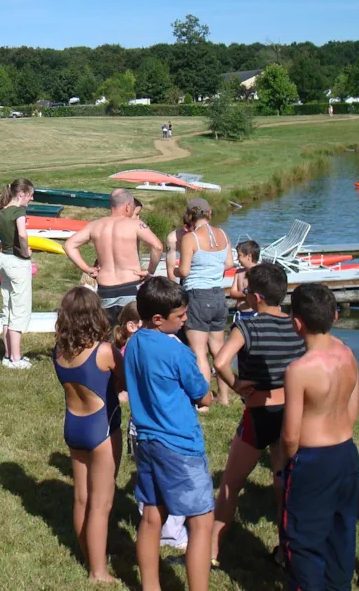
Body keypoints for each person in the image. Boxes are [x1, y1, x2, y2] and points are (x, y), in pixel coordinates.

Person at [212, 263, 305, 566]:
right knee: (283, 484)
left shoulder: (247, 326)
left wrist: (237, 385)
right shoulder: (295, 325)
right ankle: (285, 550)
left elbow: (220, 361)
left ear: (257, 297)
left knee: (230, 484)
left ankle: (211, 552)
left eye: (249, 291)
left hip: (258, 415)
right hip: (289, 413)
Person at [124, 277, 214, 591]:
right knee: (201, 521)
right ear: (159, 319)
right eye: (181, 316)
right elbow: (202, 394)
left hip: (146, 441)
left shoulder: (134, 342)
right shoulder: (178, 353)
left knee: (152, 515)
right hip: (179, 445)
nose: (186, 319)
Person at [280, 283, 359, 591]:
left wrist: (288, 463)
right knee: (341, 529)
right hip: (345, 452)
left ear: (297, 322)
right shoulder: (348, 354)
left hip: (312, 459)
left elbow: (290, 433)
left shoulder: (299, 369)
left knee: (302, 537)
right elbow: (353, 410)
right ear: (335, 317)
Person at [52, 287, 124, 583]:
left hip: (73, 426)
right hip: (102, 428)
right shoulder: (104, 352)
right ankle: (98, 571)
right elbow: (124, 383)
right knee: (101, 503)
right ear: (96, 314)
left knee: (81, 498)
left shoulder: (59, 351)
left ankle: (87, 555)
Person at [115, 300, 189, 550]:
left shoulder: (131, 348)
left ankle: (150, 525)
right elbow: (194, 386)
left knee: (147, 480)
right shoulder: (173, 347)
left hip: (140, 427)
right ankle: (171, 533)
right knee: (176, 480)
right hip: (170, 429)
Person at [64, 188, 163, 325]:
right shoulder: (135, 225)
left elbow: (69, 245)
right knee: (133, 331)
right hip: (130, 285)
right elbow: (157, 246)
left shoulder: (95, 225)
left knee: (110, 334)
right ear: (128, 206)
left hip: (106, 288)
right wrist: (150, 271)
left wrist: (87, 268)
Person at [178, 198, 234, 406]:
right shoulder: (223, 234)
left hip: (197, 295)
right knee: (218, 349)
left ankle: (203, 401)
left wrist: (175, 270)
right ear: (209, 213)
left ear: (190, 215)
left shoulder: (190, 238)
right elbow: (228, 263)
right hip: (218, 294)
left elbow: (183, 271)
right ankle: (224, 397)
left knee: (199, 352)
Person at [0, 178, 35, 369]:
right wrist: (26, 251)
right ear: (21, 194)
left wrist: (0, 245)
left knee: (8, 307)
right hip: (18, 262)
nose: (32, 198)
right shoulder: (19, 211)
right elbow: (22, 234)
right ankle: (16, 358)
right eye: (30, 194)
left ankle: (8, 354)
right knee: (19, 308)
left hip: (4, 260)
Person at [227, 239, 260, 317]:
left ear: (249, 256)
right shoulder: (239, 272)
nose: (237, 259)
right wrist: (246, 294)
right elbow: (232, 293)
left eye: (239, 255)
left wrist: (244, 294)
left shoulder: (259, 272)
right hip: (240, 313)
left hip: (254, 313)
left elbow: (257, 295)